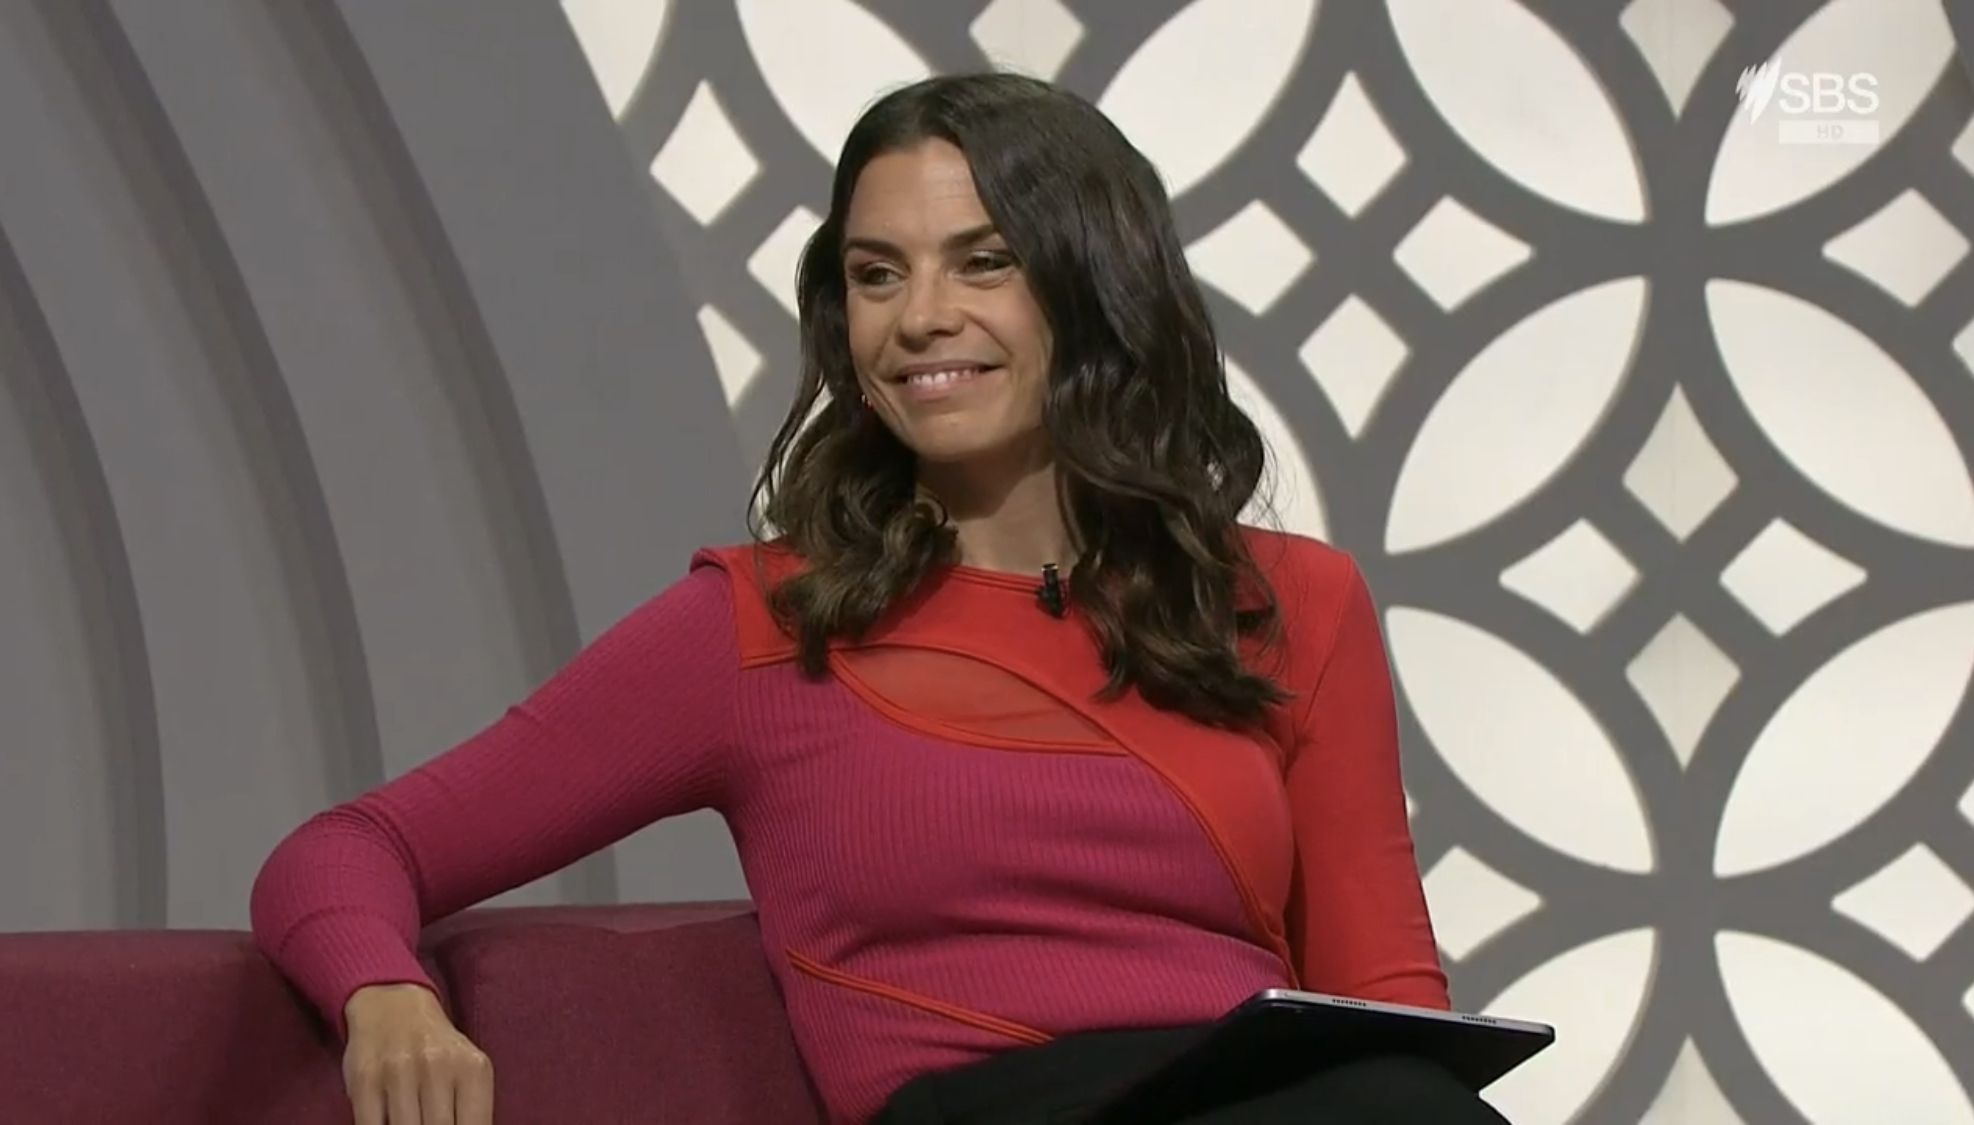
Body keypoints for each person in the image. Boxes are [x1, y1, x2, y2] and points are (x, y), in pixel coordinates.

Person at [251, 72, 1510, 1125]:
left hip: (1274, 1102)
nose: (920, 319)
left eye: (983, 263)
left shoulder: (1293, 601)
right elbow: (348, 851)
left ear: (1094, 292)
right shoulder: (765, 626)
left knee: (1404, 1100)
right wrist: (386, 997)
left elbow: (1389, 1003)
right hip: (979, 1112)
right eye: (876, 274)